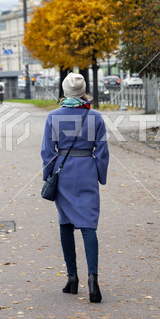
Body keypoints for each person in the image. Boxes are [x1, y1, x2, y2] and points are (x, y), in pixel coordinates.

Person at [41, 73, 109, 303]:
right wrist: (101, 175)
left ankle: (72, 278)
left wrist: (48, 175)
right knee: (89, 225)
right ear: (83, 91)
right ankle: (93, 278)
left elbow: (47, 151)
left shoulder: (53, 116)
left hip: (64, 171)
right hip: (87, 171)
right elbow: (102, 151)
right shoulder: (96, 117)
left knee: (65, 222)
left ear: (65, 91)